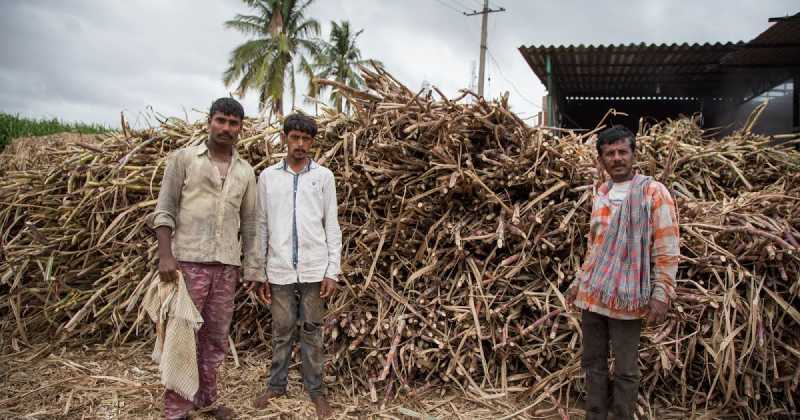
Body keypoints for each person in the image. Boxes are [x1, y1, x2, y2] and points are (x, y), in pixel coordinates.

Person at [149, 97, 264, 420]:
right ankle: (177, 409)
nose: (226, 128)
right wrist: (165, 256)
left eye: (233, 123)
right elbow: (165, 210)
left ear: (241, 128)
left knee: (215, 338)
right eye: (221, 120)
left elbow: (252, 224)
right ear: (209, 122)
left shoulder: (245, 171)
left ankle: (207, 401)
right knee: (182, 337)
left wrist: (253, 268)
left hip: (226, 266)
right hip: (187, 263)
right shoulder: (184, 159)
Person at [566, 125, 680, 420]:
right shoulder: (601, 193)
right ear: (601, 160)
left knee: (626, 368)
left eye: (622, 152)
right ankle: (595, 415)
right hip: (594, 294)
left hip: (629, 297)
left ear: (633, 155)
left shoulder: (653, 193)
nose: (617, 158)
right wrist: (579, 282)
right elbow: (595, 246)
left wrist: (662, 292)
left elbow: (667, 246)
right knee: (593, 362)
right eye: (609, 154)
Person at [252, 113, 341, 419]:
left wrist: (333, 270)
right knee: (281, 329)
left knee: (313, 331)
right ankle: (276, 385)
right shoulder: (268, 177)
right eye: (295, 138)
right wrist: (260, 270)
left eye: (306, 139)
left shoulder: (323, 177)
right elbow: (261, 225)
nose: (300, 144)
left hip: (315, 270)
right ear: (284, 138)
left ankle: (316, 391)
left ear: (312, 143)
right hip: (279, 269)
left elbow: (332, 226)